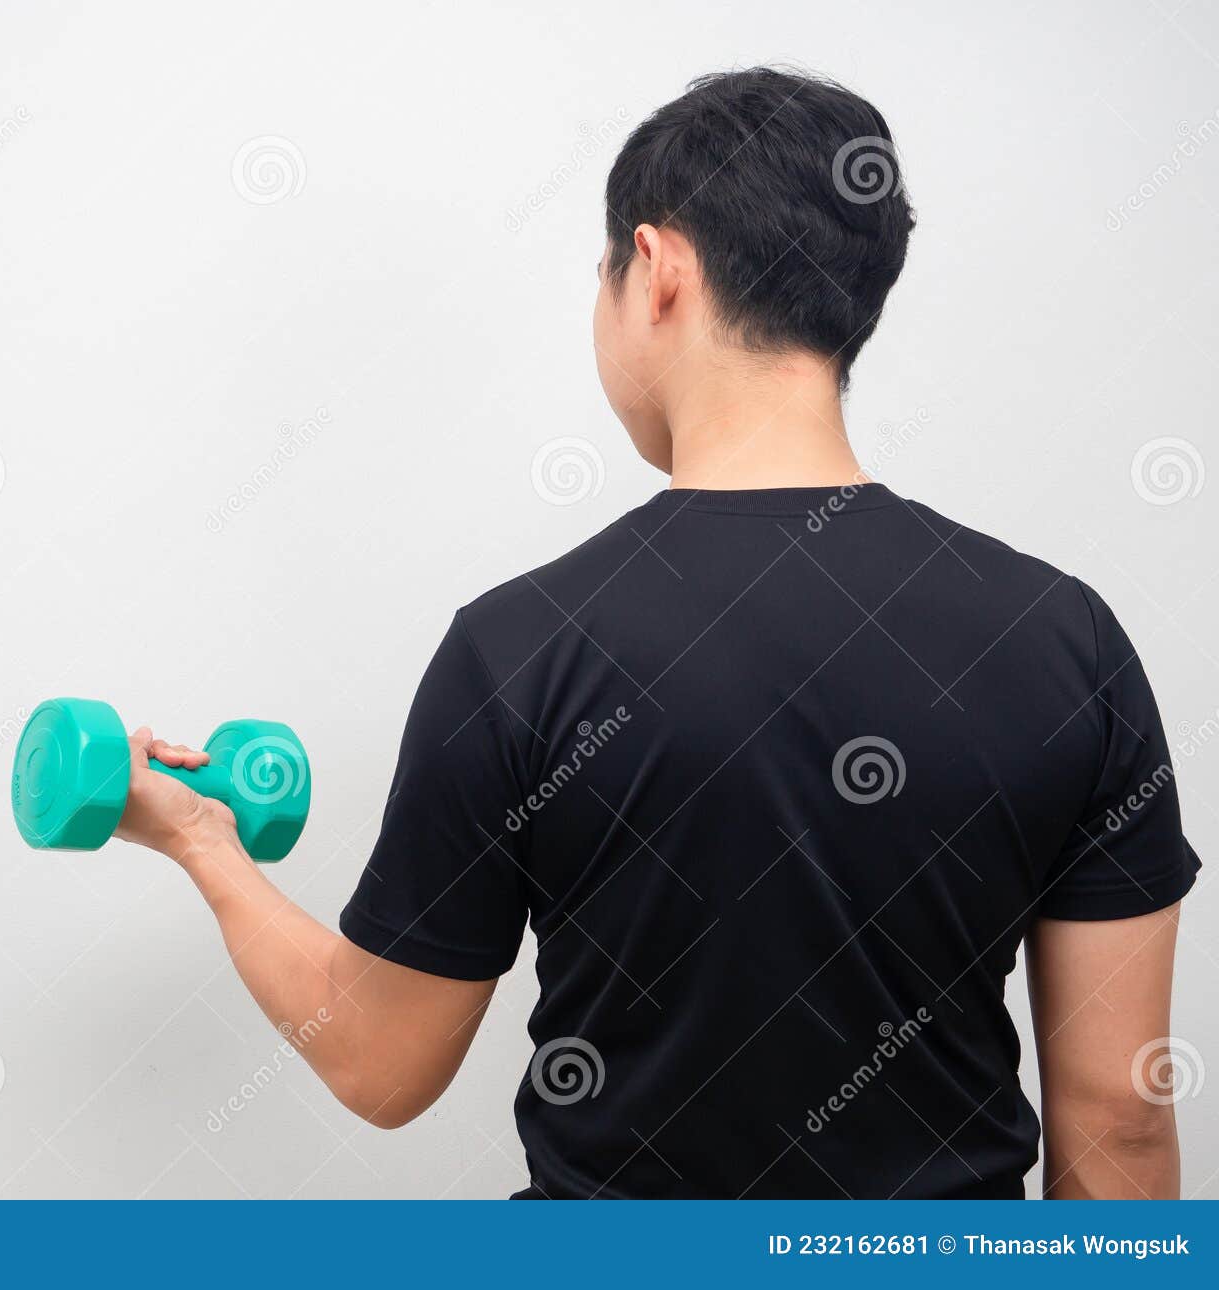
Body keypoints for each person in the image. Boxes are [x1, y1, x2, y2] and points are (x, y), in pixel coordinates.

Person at [115, 67, 1200, 1199]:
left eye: (603, 275)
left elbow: (379, 1061)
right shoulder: (1061, 636)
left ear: (658, 269)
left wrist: (202, 839)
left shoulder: (520, 649)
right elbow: (1120, 1116)